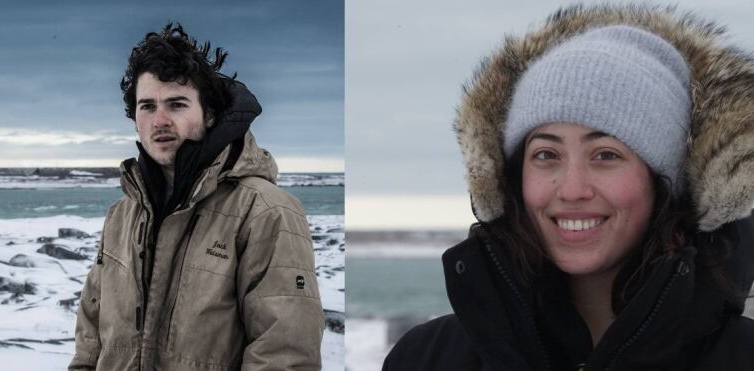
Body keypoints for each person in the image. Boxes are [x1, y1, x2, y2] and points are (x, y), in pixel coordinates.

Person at [384, 4, 754, 370]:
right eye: (546, 154)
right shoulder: (426, 357)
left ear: (663, 184)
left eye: (606, 155)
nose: (573, 189)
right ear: (513, 179)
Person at [68, 24, 324, 371]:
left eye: (176, 104)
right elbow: (91, 333)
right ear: (134, 120)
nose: (159, 120)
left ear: (210, 114)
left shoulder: (265, 211)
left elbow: (285, 352)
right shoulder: (123, 214)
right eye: (147, 106)